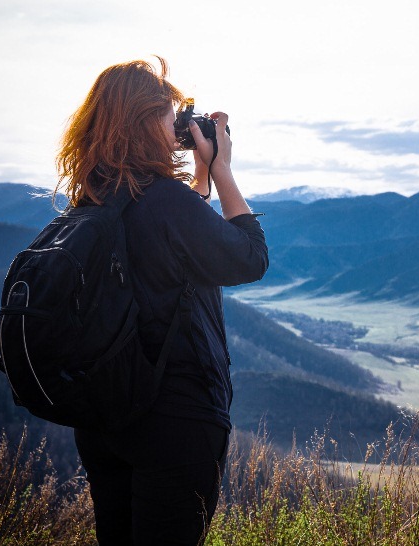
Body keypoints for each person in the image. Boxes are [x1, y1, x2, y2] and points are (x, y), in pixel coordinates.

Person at [56, 57, 268, 545]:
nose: (176, 125)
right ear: (143, 121)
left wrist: (200, 181)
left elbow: (168, 243)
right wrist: (222, 169)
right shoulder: (166, 203)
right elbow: (250, 258)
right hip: (176, 420)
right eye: (169, 114)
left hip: (105, 418)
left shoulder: (92, 197)